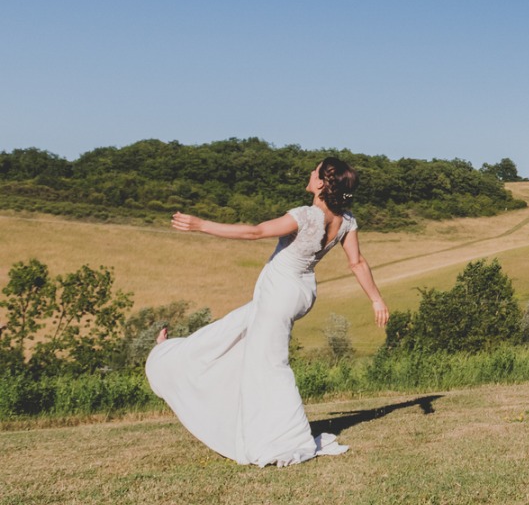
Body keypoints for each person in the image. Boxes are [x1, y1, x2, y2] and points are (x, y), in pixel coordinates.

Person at [146, 157, 390, 466]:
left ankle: (287, 440)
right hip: (299, 292)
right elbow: (357, 262)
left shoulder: (305, 215)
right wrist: (376, 299)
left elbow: (255, 232)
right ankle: (171, 353)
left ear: (320, 183)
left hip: (281, 293)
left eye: (314, 170)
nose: (310, 172)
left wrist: (201, 225)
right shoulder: (346, 221)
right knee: (233, 329)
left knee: (271, 365)